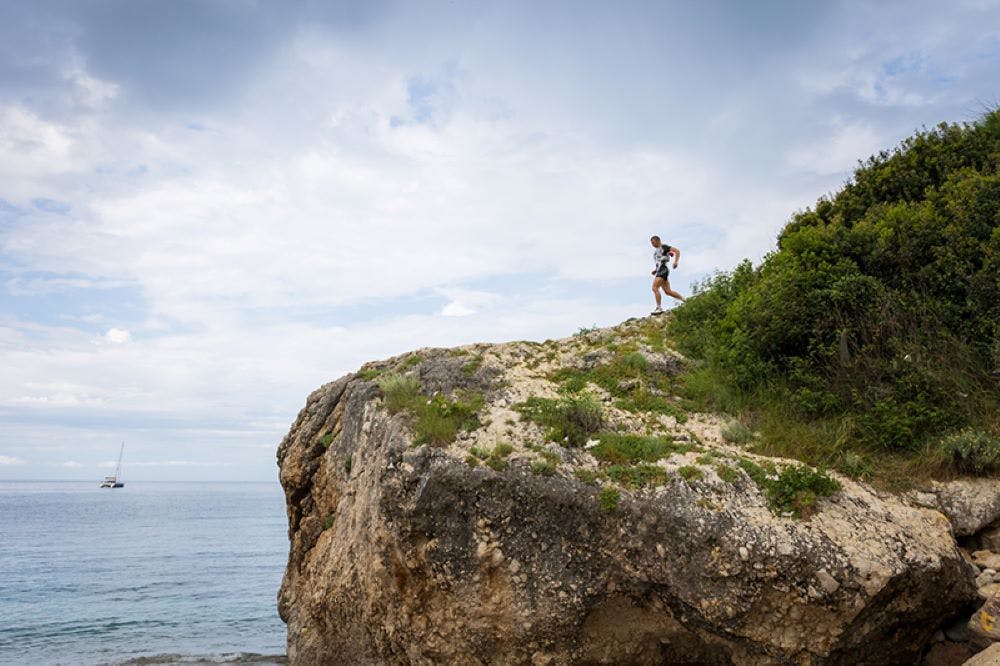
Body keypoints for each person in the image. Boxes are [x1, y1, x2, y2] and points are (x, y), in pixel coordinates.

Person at [649, 235, 684, 314]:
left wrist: (676, 262)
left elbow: (677, 251)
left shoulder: (664, 247)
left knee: (654, 287)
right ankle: (685, 300)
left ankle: (659, 308)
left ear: (658, 241)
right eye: (651, 243)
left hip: (663, 270)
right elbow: (660, 261)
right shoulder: (656, 251)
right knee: (668, 292)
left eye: (653, 242)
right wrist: (655, 270)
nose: (652, 245)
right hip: (660, 270)